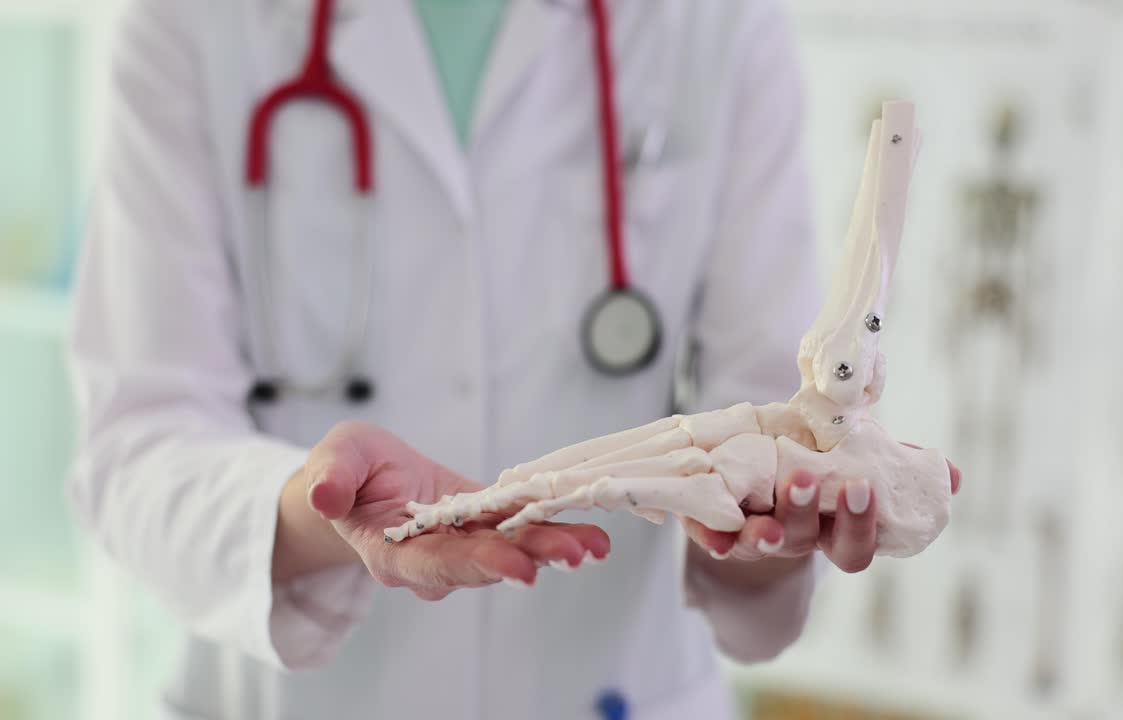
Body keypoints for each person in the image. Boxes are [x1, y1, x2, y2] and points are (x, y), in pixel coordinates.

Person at [67, 0, 958, 717]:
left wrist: (772, 532)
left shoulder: (716, 25)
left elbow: (775, 424)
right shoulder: (187, 25)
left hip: (616, 689)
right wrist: (311, 511)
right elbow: (138, 445)